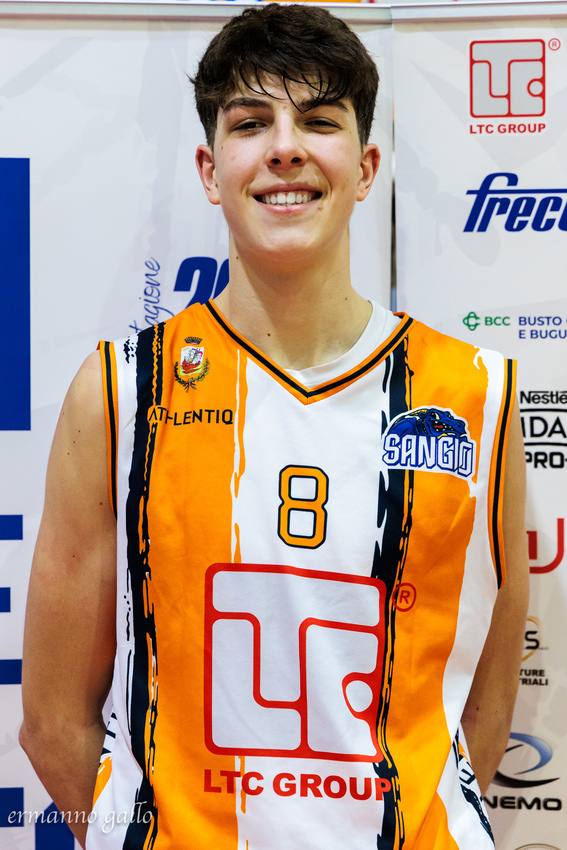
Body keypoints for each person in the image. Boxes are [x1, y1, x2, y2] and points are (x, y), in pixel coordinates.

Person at [19, 5, 528, 848]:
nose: (284, 148)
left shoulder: (479, 395)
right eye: (250, 123)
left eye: (318, 121)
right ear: (209, 169)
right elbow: (50, 720)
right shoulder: (120, 390)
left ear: (364, 168)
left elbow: (486, 704)